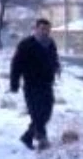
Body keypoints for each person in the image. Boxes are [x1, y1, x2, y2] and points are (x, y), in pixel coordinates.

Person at [9, 19, 60, 150]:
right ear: (36, 29)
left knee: (47, 113)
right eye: (42, 29)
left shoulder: (50, 43)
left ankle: (27, 136)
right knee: (36, 113)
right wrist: (14, 83)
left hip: (47, 84)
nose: (45, 32)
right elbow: (16, 64)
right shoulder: (26, 44)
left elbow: (54, 58)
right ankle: (42, 138)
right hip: (31, 85)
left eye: (47, 29)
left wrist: (56, 67)